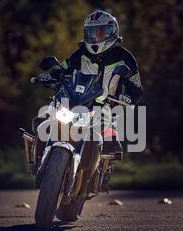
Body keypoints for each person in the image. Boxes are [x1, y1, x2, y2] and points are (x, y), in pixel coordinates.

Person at [36, 10, 143, 188]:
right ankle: (39, 163)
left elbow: (136, 87)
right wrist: (52, 75)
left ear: (111, 33)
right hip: (75, 100)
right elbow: (64, 67)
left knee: (110, 141)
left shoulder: (125, 58)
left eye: (100, 32)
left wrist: (128, 96)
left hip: (105, 106)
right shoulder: (81, 53)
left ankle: (102, 169)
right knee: (44, 121)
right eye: (92, 32)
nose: (96, 37)